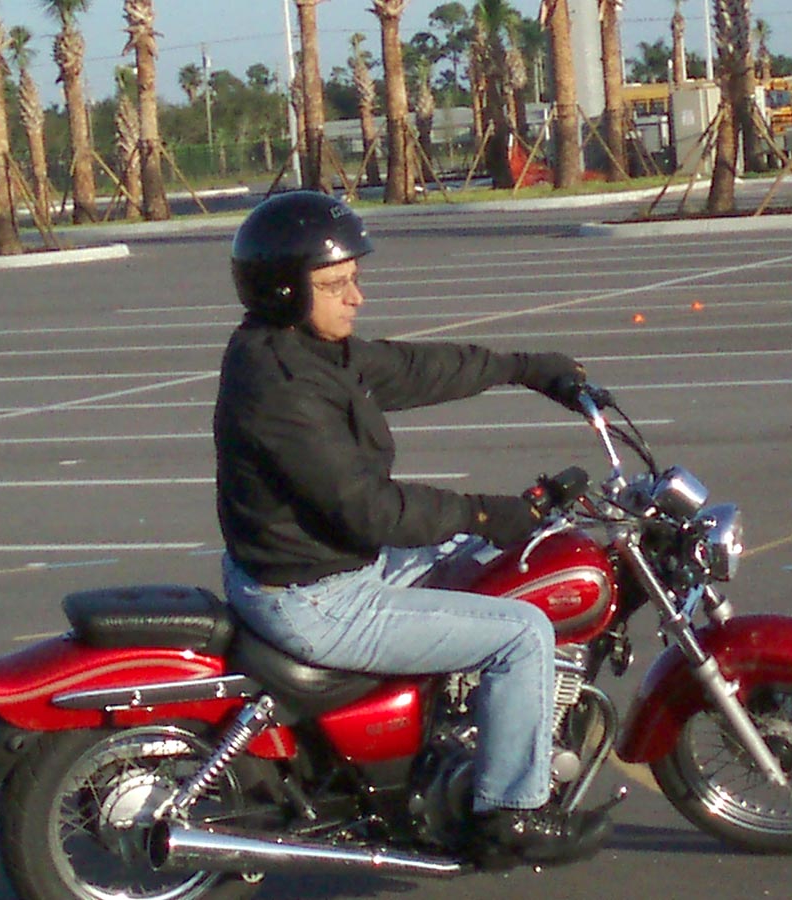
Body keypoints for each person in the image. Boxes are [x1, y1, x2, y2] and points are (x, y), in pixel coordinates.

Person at [214, 191, 606, 865]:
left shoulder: (303, 352)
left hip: (321, 567)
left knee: (479, 557)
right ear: (284, 291)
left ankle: (447, 737)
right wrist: (490, 513)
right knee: (522, 633)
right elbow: (370, 509)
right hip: (317, 598)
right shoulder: (283, 389)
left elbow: (409, 369)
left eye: (354, 278)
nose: (355, 296)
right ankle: (509, 815)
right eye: (335, 285)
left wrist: (521, 369)